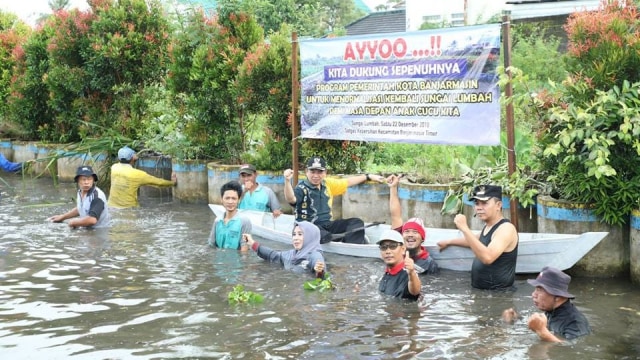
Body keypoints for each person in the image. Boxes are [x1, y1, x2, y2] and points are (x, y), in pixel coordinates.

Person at [283, 156, 384, 244]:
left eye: (320, 172)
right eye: (312, 171)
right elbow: (291, 199)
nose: (316, 175)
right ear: (306, 172)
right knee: (323, 235)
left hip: (327, 224)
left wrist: (368, 176)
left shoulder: (328, 184)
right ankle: (339, 239)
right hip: (308, 226)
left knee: (356, 223)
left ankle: (351, 246)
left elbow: (348, 182)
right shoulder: (301, 188)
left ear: (325, 173)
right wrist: (287, 181)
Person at [437, 185, 518, 290]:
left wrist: (464, 229)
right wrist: (449, 242)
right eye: (476, 203)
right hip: (483, 294)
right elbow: (474, 240)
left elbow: (488, 258)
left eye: (484, 203)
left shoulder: (506, 229)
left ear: (498, 205)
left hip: (499, 296)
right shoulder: (489, 226)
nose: (479, 208)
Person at [502, 266, 591, 342]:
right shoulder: (551, 310)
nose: (533, 295)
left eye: (540, 290)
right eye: (536, 289)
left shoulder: (575, 323)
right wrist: (515, 319)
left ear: (558, 297)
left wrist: (542, 332)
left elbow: (570, 349)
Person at [387, 174, 439, 275]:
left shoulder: (429, 263)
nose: (410, 234)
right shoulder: (396, 251)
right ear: (401, 236)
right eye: (406, 231)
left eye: (415, 232)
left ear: (422, 238)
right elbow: (395, 216)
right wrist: (393, 188)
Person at [243, 221, 326, 278]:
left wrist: (319, 272)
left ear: (310, 237)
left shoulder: (315, 255)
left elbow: (321, 272)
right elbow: (273, 255)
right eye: (294, 234)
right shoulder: (291, 255)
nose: (295, 238)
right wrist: (252, 244)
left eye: (300, 234)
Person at [107, 146, 177, 209]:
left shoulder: (114, 168)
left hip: (111, 206)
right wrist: (172, 182)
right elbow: (159, 183)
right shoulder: (138, 175)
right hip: (129, 208)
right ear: (133, 158)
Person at [377, 229, 421, 301]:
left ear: (403, 249)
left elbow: (415, 291)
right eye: (384, 247)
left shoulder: (408, 274)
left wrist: (411, 273)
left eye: (393, 246)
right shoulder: (386, 273)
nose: (388, 251)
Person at [208, 180, 252, 250]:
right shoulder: (217, 221)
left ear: (239, 200)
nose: (230, 202)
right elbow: (211, 245)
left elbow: (244, 251)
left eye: (234, 198)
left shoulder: (244, 221)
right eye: (227, 198)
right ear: (222, 199)